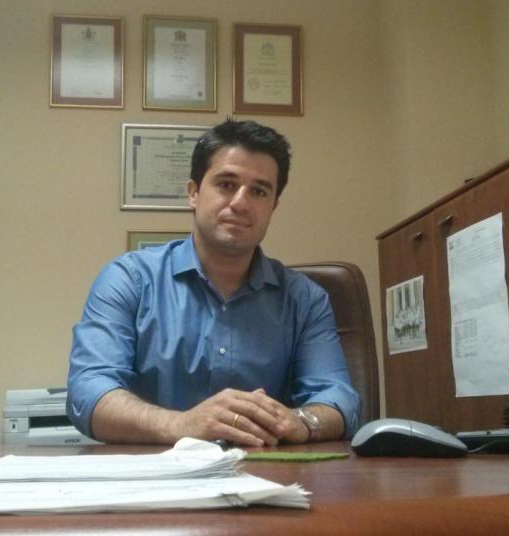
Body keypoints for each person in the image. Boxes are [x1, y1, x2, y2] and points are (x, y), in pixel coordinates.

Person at [67, 119, 361, 447]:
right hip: (153, 471)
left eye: (259, 191)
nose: (241, 203)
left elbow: (339, 399)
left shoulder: (305, 299)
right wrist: (181, 424)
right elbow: (89, 392)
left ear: (273, 207)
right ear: (194, 193)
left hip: (265, 469)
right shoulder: (129, 280)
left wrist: (301, 421)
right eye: (226, 184)